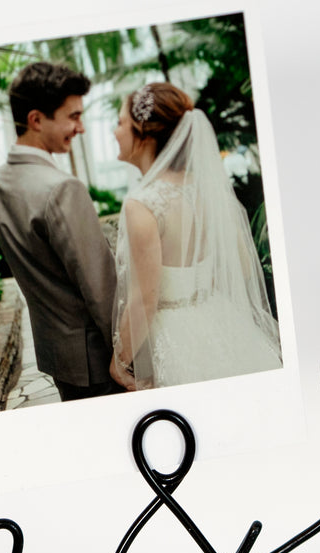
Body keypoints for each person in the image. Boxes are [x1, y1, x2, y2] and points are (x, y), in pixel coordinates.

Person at [110, 83, 282, 391]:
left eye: (120, 122)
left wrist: (119, 362)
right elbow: (242, 266)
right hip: (221, 320)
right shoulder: (208, 189)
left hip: (174, 338)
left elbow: (144, 300)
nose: (114, 131)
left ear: (144, 133)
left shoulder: (142, 204)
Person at [0, 62, 123, 402]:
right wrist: (127, 357)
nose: (82, 128)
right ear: (36, 120)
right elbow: (100, 288)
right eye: (73, 116)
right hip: (98, 361)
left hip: (57, 357)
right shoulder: (62, 188)